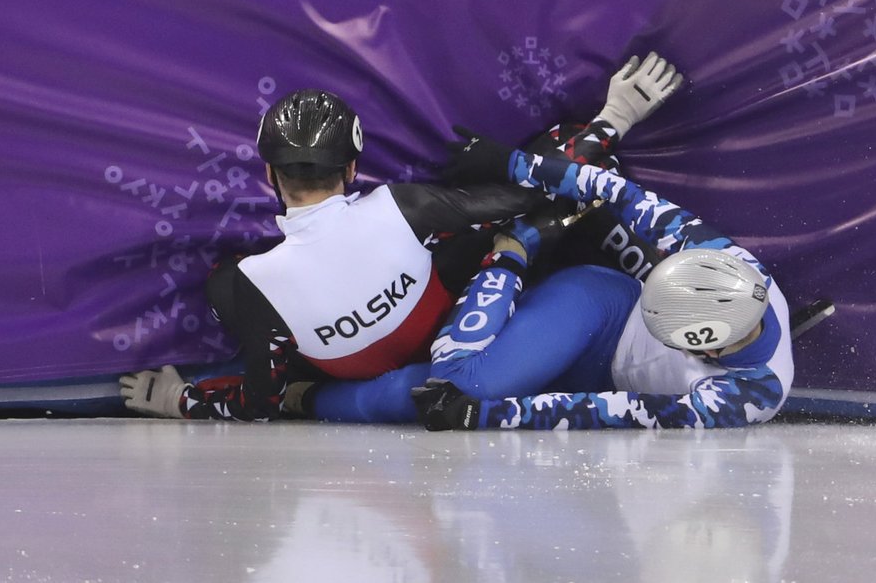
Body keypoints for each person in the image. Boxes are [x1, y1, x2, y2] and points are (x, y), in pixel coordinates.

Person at [120, 51, 685, 421]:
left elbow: (261, 401)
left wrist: (180, 400)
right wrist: (615, 117)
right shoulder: (400, 206)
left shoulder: (242, 284)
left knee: (242, 305)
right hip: (465, 331)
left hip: (358, 381)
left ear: (269, 175)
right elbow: (542, 194)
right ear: (351, 171)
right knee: (538, 176)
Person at [301, 116, 792, 430]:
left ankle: (303, 399)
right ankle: (511, 251)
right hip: (605, 309)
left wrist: (486, 415)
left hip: (606, 380)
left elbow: (615, 412)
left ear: (707, 348)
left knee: (448, 396)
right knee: (461, 381)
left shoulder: (746, 398)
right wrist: (513, 163)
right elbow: (625, 196)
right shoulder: (739, 264)